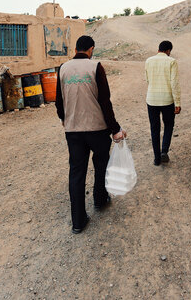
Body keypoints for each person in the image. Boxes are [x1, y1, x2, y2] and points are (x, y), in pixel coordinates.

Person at [56, 35, 126, 234]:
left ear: (76, 48)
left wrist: (64, 118)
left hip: (73, 131)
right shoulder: (96, 67)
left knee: (77, 173)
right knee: (101, 164)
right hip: (97, 129)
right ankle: (100, 200)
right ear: (91, 49)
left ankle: (78, 221)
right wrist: (115, 129)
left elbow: (59, 101)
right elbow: (105, 102)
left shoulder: (63, 68)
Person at [145, 40, 181, 166]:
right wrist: (177, 103)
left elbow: (148, 80)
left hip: (152, 99)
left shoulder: (148, 61)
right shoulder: (172, 61)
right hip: (167, 100)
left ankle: (156, 158)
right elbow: (174, 84)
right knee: (169, 125)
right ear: (168, 51)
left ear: (158, 49)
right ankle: (164, 151)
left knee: (154, 128)